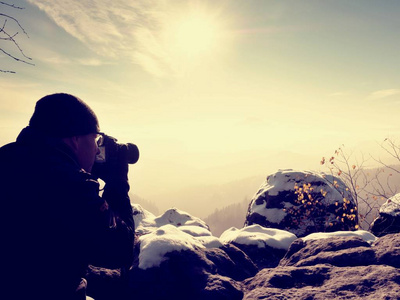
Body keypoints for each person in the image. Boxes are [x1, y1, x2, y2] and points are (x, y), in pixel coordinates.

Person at [0, 93, 135, 300]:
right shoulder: (71, 186)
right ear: (75, 139)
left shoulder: (7, 158)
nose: (97, 148)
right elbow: (119, 250)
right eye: (95, 138)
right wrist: (117, 182)